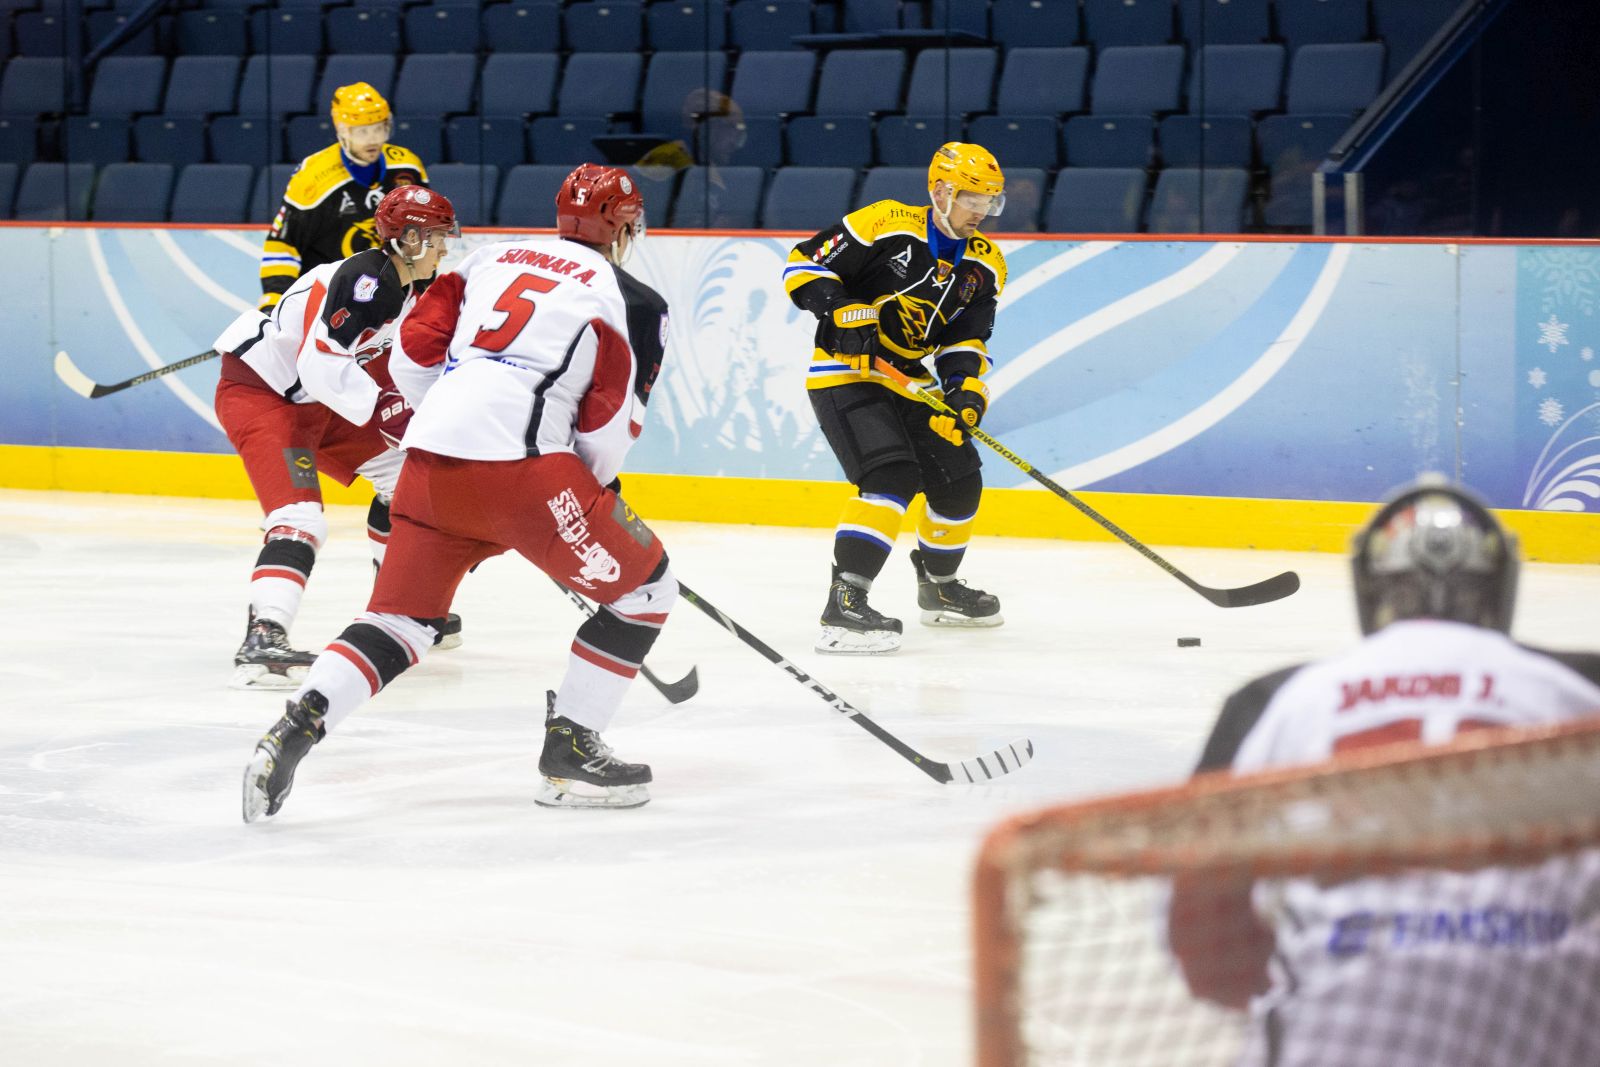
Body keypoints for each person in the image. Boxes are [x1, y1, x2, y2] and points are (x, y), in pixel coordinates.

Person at [242, 163, 673, 822]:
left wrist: (447, 419)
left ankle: (295, 726)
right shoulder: (637, 300)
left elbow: (414, 352)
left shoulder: (489, 261)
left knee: (401, 621)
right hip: (528, 470)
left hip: (430, 463)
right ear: (622, 227)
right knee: (645, 591)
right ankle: (571, 751)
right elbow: (611, 424)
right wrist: (588, 483)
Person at [1169, 478, 1600, 1066]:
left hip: (1337, 1042)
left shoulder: (1276, 699)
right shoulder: (1580, 689)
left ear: (1370, 590)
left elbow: (1201, 937)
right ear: (1501, 588)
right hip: (1547, 1034)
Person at [214, 185, 460, 690]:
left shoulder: (415, 289)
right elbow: (320, 365)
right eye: (436, 237)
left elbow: (391, 368)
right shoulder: (367, 281)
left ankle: (398, 602)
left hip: (320, 401)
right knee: (300, 517)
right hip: (264, 395)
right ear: (409, 238)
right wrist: (390, 416)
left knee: (408, 478)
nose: (445, 247)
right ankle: (264, 635)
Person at [783, 141, 1009, 655]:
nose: (981, 211)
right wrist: (840, 312)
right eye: (973, 198)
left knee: (959, 480)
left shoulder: (986, 264)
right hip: (846, 372)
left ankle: (939, 587)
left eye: (990, 201)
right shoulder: (886, 222)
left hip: (910, 380)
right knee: (890, 475)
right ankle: (846, 601)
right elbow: (803, 266)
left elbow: (964, 340)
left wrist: (964, 389)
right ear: (940, 191)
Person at [259, 82, 430, 314]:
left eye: (379, 129)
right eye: (362, 131)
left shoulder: (407, 167)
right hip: (328, 300)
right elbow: (282, 245)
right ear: (342, 130)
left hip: (392, 294)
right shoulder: (313, 179)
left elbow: (425, 233)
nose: (372, 139)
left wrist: (424, 289)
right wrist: (275, 303)